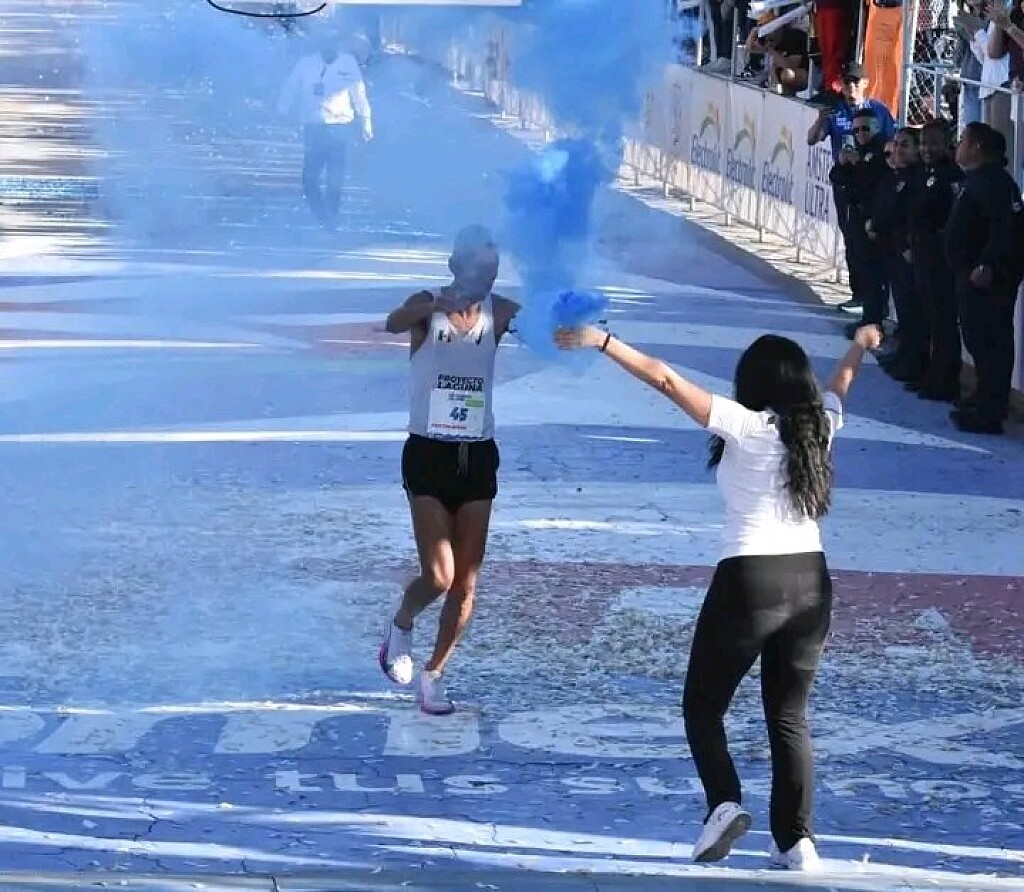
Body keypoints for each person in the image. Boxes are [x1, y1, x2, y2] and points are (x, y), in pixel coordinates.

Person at [555, 320, 884, 871]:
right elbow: (841, 385)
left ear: (752, 383)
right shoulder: (820, 428)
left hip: (750, 580)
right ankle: (797, 842)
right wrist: (860, 344)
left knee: (703, 707)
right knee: (789, 716)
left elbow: (664, 379)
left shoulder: (747, 425)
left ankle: (724, 803)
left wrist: (604, 342)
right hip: (811, 581)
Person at [379, 226, 520, 714]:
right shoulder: (427, 305)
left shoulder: (501, 312)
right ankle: (402, 623)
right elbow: (393, 323)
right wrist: (431, 308)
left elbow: (544, 327)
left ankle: (434, 675)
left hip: (476, 455)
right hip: (429, 452)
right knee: (439, 575)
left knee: (466, 583)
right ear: (457, 265)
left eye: (493, 269)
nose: (487, 276)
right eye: (479, 266)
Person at [945, 121, 1024, 435]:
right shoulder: (978, 179)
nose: (958, 145)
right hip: (970, 274)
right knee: (977, 338)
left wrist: (987, 265)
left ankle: (992, 410)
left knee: (992, 340)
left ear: (977, 147)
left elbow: (1004, 229)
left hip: (988, 278)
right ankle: (982, 396)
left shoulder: (995, 183)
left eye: (963, 140)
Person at [808, 62, 896, 317]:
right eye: (846, 82)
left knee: (872, 240)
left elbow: (891, 144)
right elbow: (812, 139)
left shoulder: (879, 110)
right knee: (851, 238)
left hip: (872, 182)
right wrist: (821, 119)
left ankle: (877, 300)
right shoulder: (835, 110)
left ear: (865, 83)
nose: (850, 87)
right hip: (846, 183)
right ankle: (859, 294)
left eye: (855, 81)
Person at [277, 31, 373, 228]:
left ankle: (331, 220)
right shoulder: (306, 63)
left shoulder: (348, 63)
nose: (330, 48)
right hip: (315, 128)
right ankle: (322, 215)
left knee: (335, 178)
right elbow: (290, 87)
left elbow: (359, 94)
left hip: (341, 127)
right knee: (309, 178)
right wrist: (281, 111)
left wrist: (366, 122)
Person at [909, 119, 965, 402]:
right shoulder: (924, 172)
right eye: (923, 143)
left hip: (941, 260)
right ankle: (932, 373)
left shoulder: (951, 176)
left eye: (933, 144)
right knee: (930, 317)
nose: (926, 149)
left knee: (944, 320)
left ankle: (946, 380)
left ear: (947, 145)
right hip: (923, 255)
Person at [868, 127, 927, 384]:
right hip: (890, 249)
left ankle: (914, 362)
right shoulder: (895, 176)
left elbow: (910, 216)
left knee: (913, 310)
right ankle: (904, 355)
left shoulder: (917, 179)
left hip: (907, 251)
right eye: (897, 144)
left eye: (906, 145)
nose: (899, 150)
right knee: (902, 307)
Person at [829, 108, 891, 338]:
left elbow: (871, 182)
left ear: (877, 127)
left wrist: (857, 165)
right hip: (855, 217)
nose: (860, 134)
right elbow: (837, 177)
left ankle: (874, 321)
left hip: (872, 220)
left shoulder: (882, 150)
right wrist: (843, 162)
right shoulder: (858, 151)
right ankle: (868, 316)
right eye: (856, 130)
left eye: (866, 128)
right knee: (862, 268)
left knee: (875, 274)